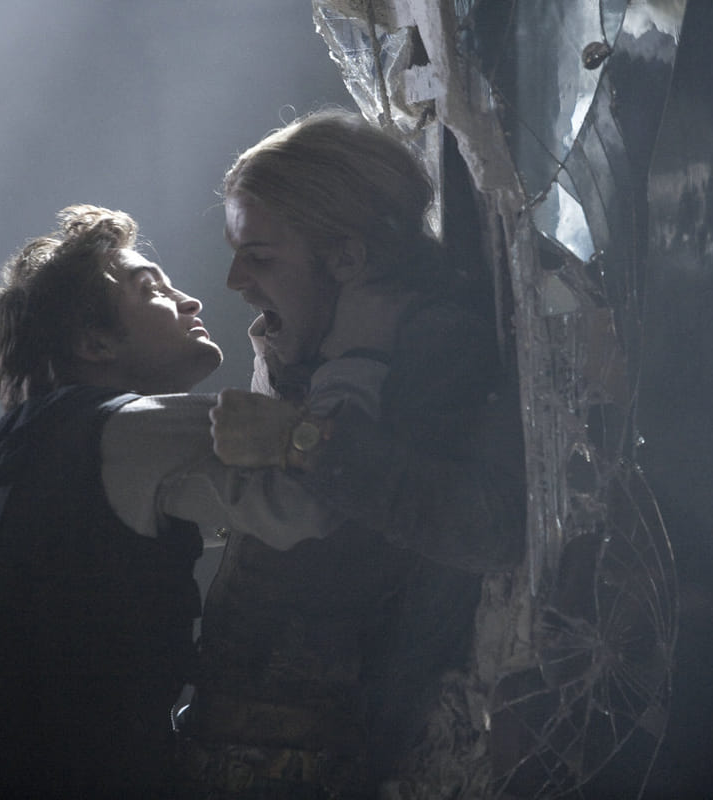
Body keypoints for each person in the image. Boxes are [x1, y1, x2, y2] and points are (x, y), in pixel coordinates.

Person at [0, 204, 359, 799]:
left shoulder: (27, 460)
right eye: (152, 290)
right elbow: (311, 508)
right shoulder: (126, 429)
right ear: (94, 342)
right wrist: (323, 344)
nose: (190, 301)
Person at [177, 109, 528, 798]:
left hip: (347, 758)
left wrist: (300, 438)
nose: (235, 281)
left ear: (347, 259)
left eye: (260, 256)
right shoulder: (328, 345)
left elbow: (487, 527)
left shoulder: (434, 344)